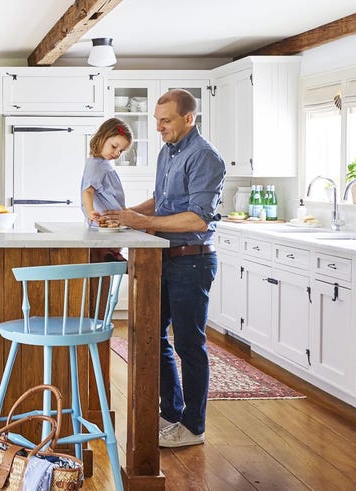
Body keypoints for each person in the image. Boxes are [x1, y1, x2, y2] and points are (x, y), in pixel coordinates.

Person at [102, 89, 225, 448]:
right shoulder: (167, 152)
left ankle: (194, 426)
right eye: (157, 120)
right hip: (165, 259)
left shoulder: (204, 157)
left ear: (189, 118)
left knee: (190, 345)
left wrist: (138, 221)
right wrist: (123, 218)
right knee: (154, 337)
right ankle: (171, 412)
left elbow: (197, 218)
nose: (159, 127)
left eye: (166, 120)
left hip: (192, 259)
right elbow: (162, 202)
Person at [81, 117, 132, 262]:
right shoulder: (95, 164)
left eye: (121, 151)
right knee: (102, 262)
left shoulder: (103, 163)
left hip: (114, 223)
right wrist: (90, 211)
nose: (117, 153)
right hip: (105, 224)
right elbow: (88, 190)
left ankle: (115, 254)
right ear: (102, 138)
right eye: (114, 146)